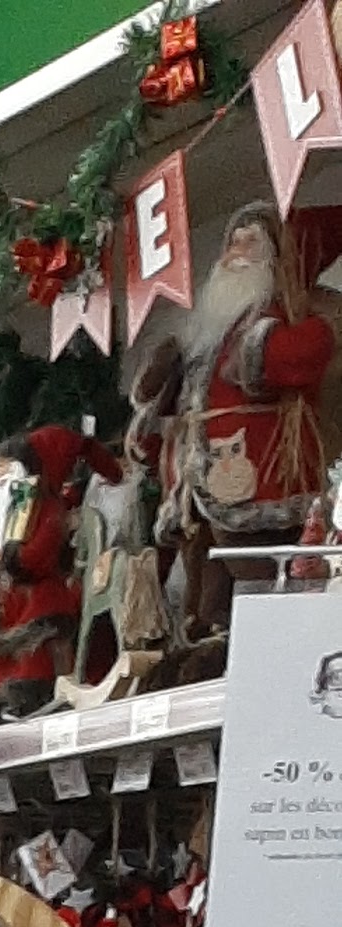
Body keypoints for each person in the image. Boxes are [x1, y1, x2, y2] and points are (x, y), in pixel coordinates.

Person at [128, 203, 335, 654]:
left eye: (250, 243)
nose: (236, 253)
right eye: (233, 242)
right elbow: (164, 404)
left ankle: (272, 646)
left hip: (256, 476)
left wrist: (262, 348)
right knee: (208, 579)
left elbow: (292, 359)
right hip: (199, 489)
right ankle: (215, 640)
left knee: (257, 572)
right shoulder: (209, 332)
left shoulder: (282, 321)